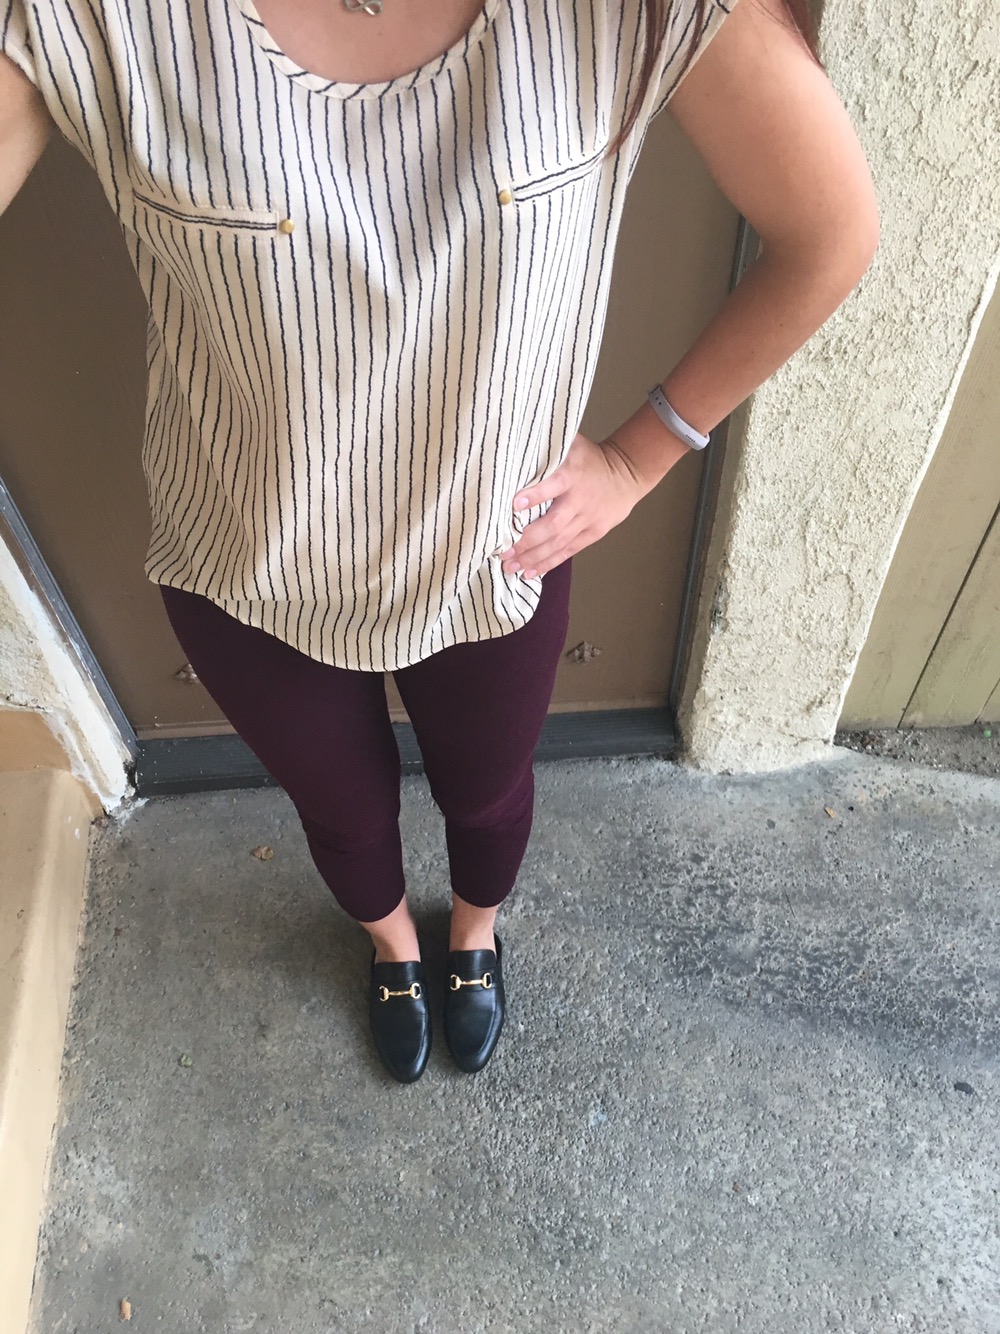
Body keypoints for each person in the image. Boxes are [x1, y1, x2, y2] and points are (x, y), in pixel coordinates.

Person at [0, 0, 878, 1083]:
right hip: (245, 564)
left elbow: (830, 233)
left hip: (493, 563)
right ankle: (393, 949)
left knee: (489, 792)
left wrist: (638, 458)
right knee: (342, 812)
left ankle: (472, 934)